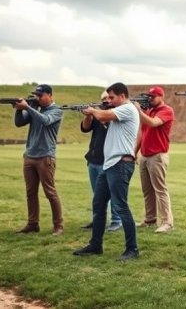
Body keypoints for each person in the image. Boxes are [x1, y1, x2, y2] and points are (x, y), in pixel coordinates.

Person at [73, 82, 141, 261]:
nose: (109, 101)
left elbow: (104, 114)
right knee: (98, 205)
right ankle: (96, 245)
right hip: (109, 164)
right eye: (108, 98)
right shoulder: (117, 111)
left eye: (112, 97)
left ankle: (132, 249)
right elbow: (96, 122)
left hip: (120, 163)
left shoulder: (128, 108)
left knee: (121, 206)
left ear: (122, 96)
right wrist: (90, 113)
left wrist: (93, 109)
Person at [14, 84, 64, 236]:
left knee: (50, 192)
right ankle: (32, 224)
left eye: (40, 95)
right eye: (36, 95)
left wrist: (28, 107)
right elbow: (19, 123)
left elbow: (46, 121)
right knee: (31, 193)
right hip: (30, 156)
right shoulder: (36, 109)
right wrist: (19, 109)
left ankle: (58, 226)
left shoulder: (57, 110)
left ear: (49, 95)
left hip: (45, 157)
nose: (37, 98)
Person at [134, 86, 175, 233]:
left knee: (160, 190)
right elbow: (142, 134)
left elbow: (153, 123)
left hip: (157, 155)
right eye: (149, 97)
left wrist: (139, 111)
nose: (150, 99)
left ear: (161, 97)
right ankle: (150, 219)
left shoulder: (166, 110)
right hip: (145, 155)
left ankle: (167, 222)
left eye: (153, 97)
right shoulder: (149, 111)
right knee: (147, 191)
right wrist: (135, 152)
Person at [80, 91, 122, 232]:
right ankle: (98, 220)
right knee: (97, 194)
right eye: (102, 99)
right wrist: (89, 115)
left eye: (108, 98)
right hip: (94, 158)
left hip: (108, 160)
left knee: (112, 193)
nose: (105, 101)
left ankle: (116, 220)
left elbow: (109, 124)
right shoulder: (98, 113)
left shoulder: (116, 113)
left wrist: (96, 112)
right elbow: (85, 128)